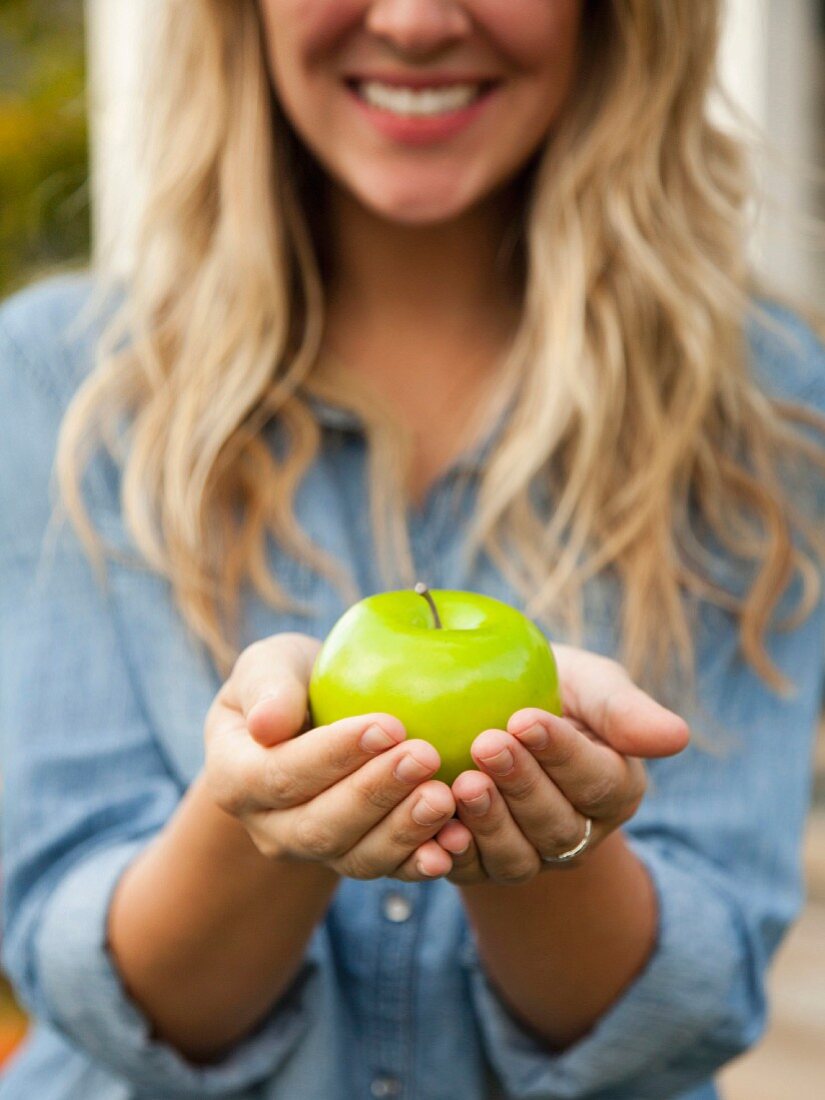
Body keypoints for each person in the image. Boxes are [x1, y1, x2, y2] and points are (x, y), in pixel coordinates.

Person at [0, 1, 823, 1098]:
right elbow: (92, 988)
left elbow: (683, 1015)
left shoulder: (759, 410)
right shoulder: (62, 387)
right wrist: (262, 800)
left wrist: (529, 814)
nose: (417, 20)